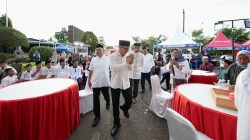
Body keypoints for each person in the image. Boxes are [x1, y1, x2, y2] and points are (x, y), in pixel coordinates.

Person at [109, 40, 134, 136]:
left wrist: (131, 63)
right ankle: (116, 124)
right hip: (115, 83)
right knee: (115, 105)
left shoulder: (128, 55)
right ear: (120, 47)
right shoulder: (113, 56)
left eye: (128, 49)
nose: (127, 50)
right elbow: (114, 68)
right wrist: (126, 63)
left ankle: (124, 108)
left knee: (129, 101)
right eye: (125, 49)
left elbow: (130, 69)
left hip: (126, 82)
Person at [88, 44, 111, 127]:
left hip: (105, 82)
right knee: (96, 100)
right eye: (96, 50)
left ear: (103, 50)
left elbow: (113, 69)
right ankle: (97, 116)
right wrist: (89, 80)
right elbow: (90, 71)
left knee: (106, 96)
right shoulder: (93, 60)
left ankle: (108, 102)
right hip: (96, 82)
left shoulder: (108, 59)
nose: (98, 51)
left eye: (99, 50)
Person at [235, 63, 250, 140]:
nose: (242, 61)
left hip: (245, 118)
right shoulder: (242, 74)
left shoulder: (242, 75)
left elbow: (237, 102)